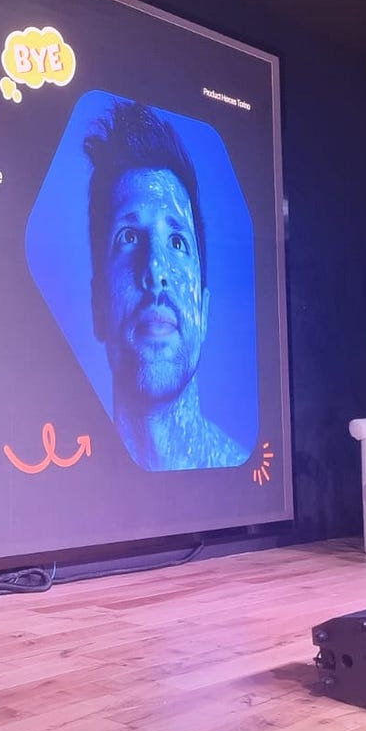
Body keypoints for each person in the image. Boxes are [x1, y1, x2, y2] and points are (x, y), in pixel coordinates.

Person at [84, 99, 245, 471]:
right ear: (98, 306)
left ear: (204, 310)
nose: (155, 269)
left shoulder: (238, 464)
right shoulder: (63, 493)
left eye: (177, 242)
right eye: (128, 237)